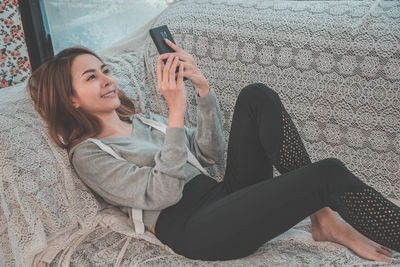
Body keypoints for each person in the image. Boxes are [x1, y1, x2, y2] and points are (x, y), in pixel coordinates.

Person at [27, 40, 399, 263]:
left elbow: (210, 157)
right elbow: (165, 193)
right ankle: (330, 216)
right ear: (70, 99)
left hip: (220, 195)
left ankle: (323, 219)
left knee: (256, 96)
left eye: (105, 70)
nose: (108, 80)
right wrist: (176, 111)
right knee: (327, 171)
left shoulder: (144, 122)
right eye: (92, 77)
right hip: (194, 229)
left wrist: (203, 91)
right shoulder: (89, 154)